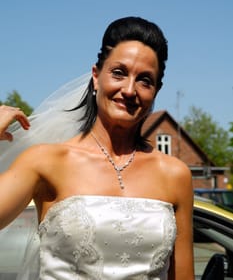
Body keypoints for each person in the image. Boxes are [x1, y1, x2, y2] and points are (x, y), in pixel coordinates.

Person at [0, 16, 194, 280]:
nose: (129, 90)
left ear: (156, 91)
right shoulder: (44, 162)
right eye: (119, 73)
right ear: (95, 76)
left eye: (145, 80)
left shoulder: (175, 175)